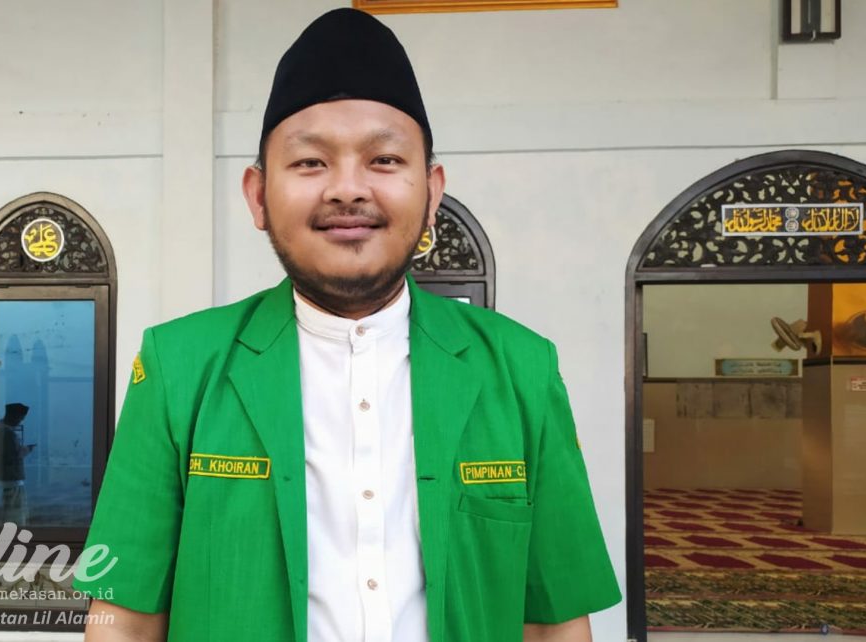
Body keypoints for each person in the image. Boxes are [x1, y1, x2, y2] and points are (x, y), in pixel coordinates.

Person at [74, 8, 620, 641]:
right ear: (257, 195)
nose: (347, 190)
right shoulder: (179, 367)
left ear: (432, 192)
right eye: (311, 163)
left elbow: (554, 625)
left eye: (384, 159)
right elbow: (122, 619)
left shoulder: (521, 370)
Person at [0, 402, 35, 525]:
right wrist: (28, 449)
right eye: (20, 418)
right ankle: (13, 530)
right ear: (14, 416)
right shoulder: (7, 433)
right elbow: (14, 455)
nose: (20, 422)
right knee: (14, 509)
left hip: (2, 475)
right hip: (11, 477)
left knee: (8, 506)